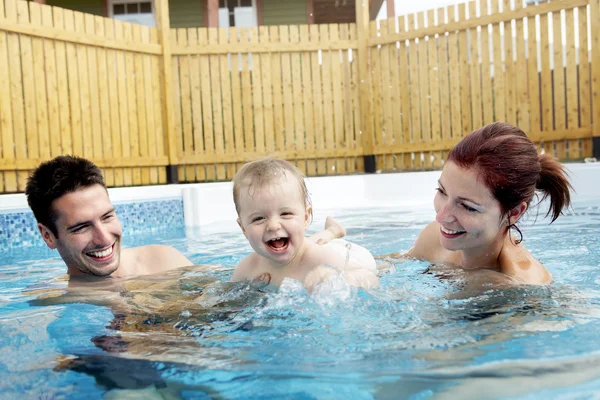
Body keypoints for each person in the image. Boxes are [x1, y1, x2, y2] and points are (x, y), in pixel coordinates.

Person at [404, 122, 572, 285]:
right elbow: (394, 264)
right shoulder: (434, 237)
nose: (441, 217)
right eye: (442, 191)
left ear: (514, 213)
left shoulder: (522, 284)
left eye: (468, 207)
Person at [25, 155, 193, 280]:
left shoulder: (163, 260)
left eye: (107, 217)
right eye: (81, 227)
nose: (104, 238)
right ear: (48, 236)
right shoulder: (54, 302)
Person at [231, 158, 379, 291]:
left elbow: (370, 277)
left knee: (380, 264)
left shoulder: (322, 260)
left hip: (350, 253)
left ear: (306, 217)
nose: (273, 225)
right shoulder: (247, 268)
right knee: (299, 240)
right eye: (258, 218)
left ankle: (332, 232)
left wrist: (336, 278)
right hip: (306, 245)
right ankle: (331, 231)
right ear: (243, 228)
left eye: (285, 214)